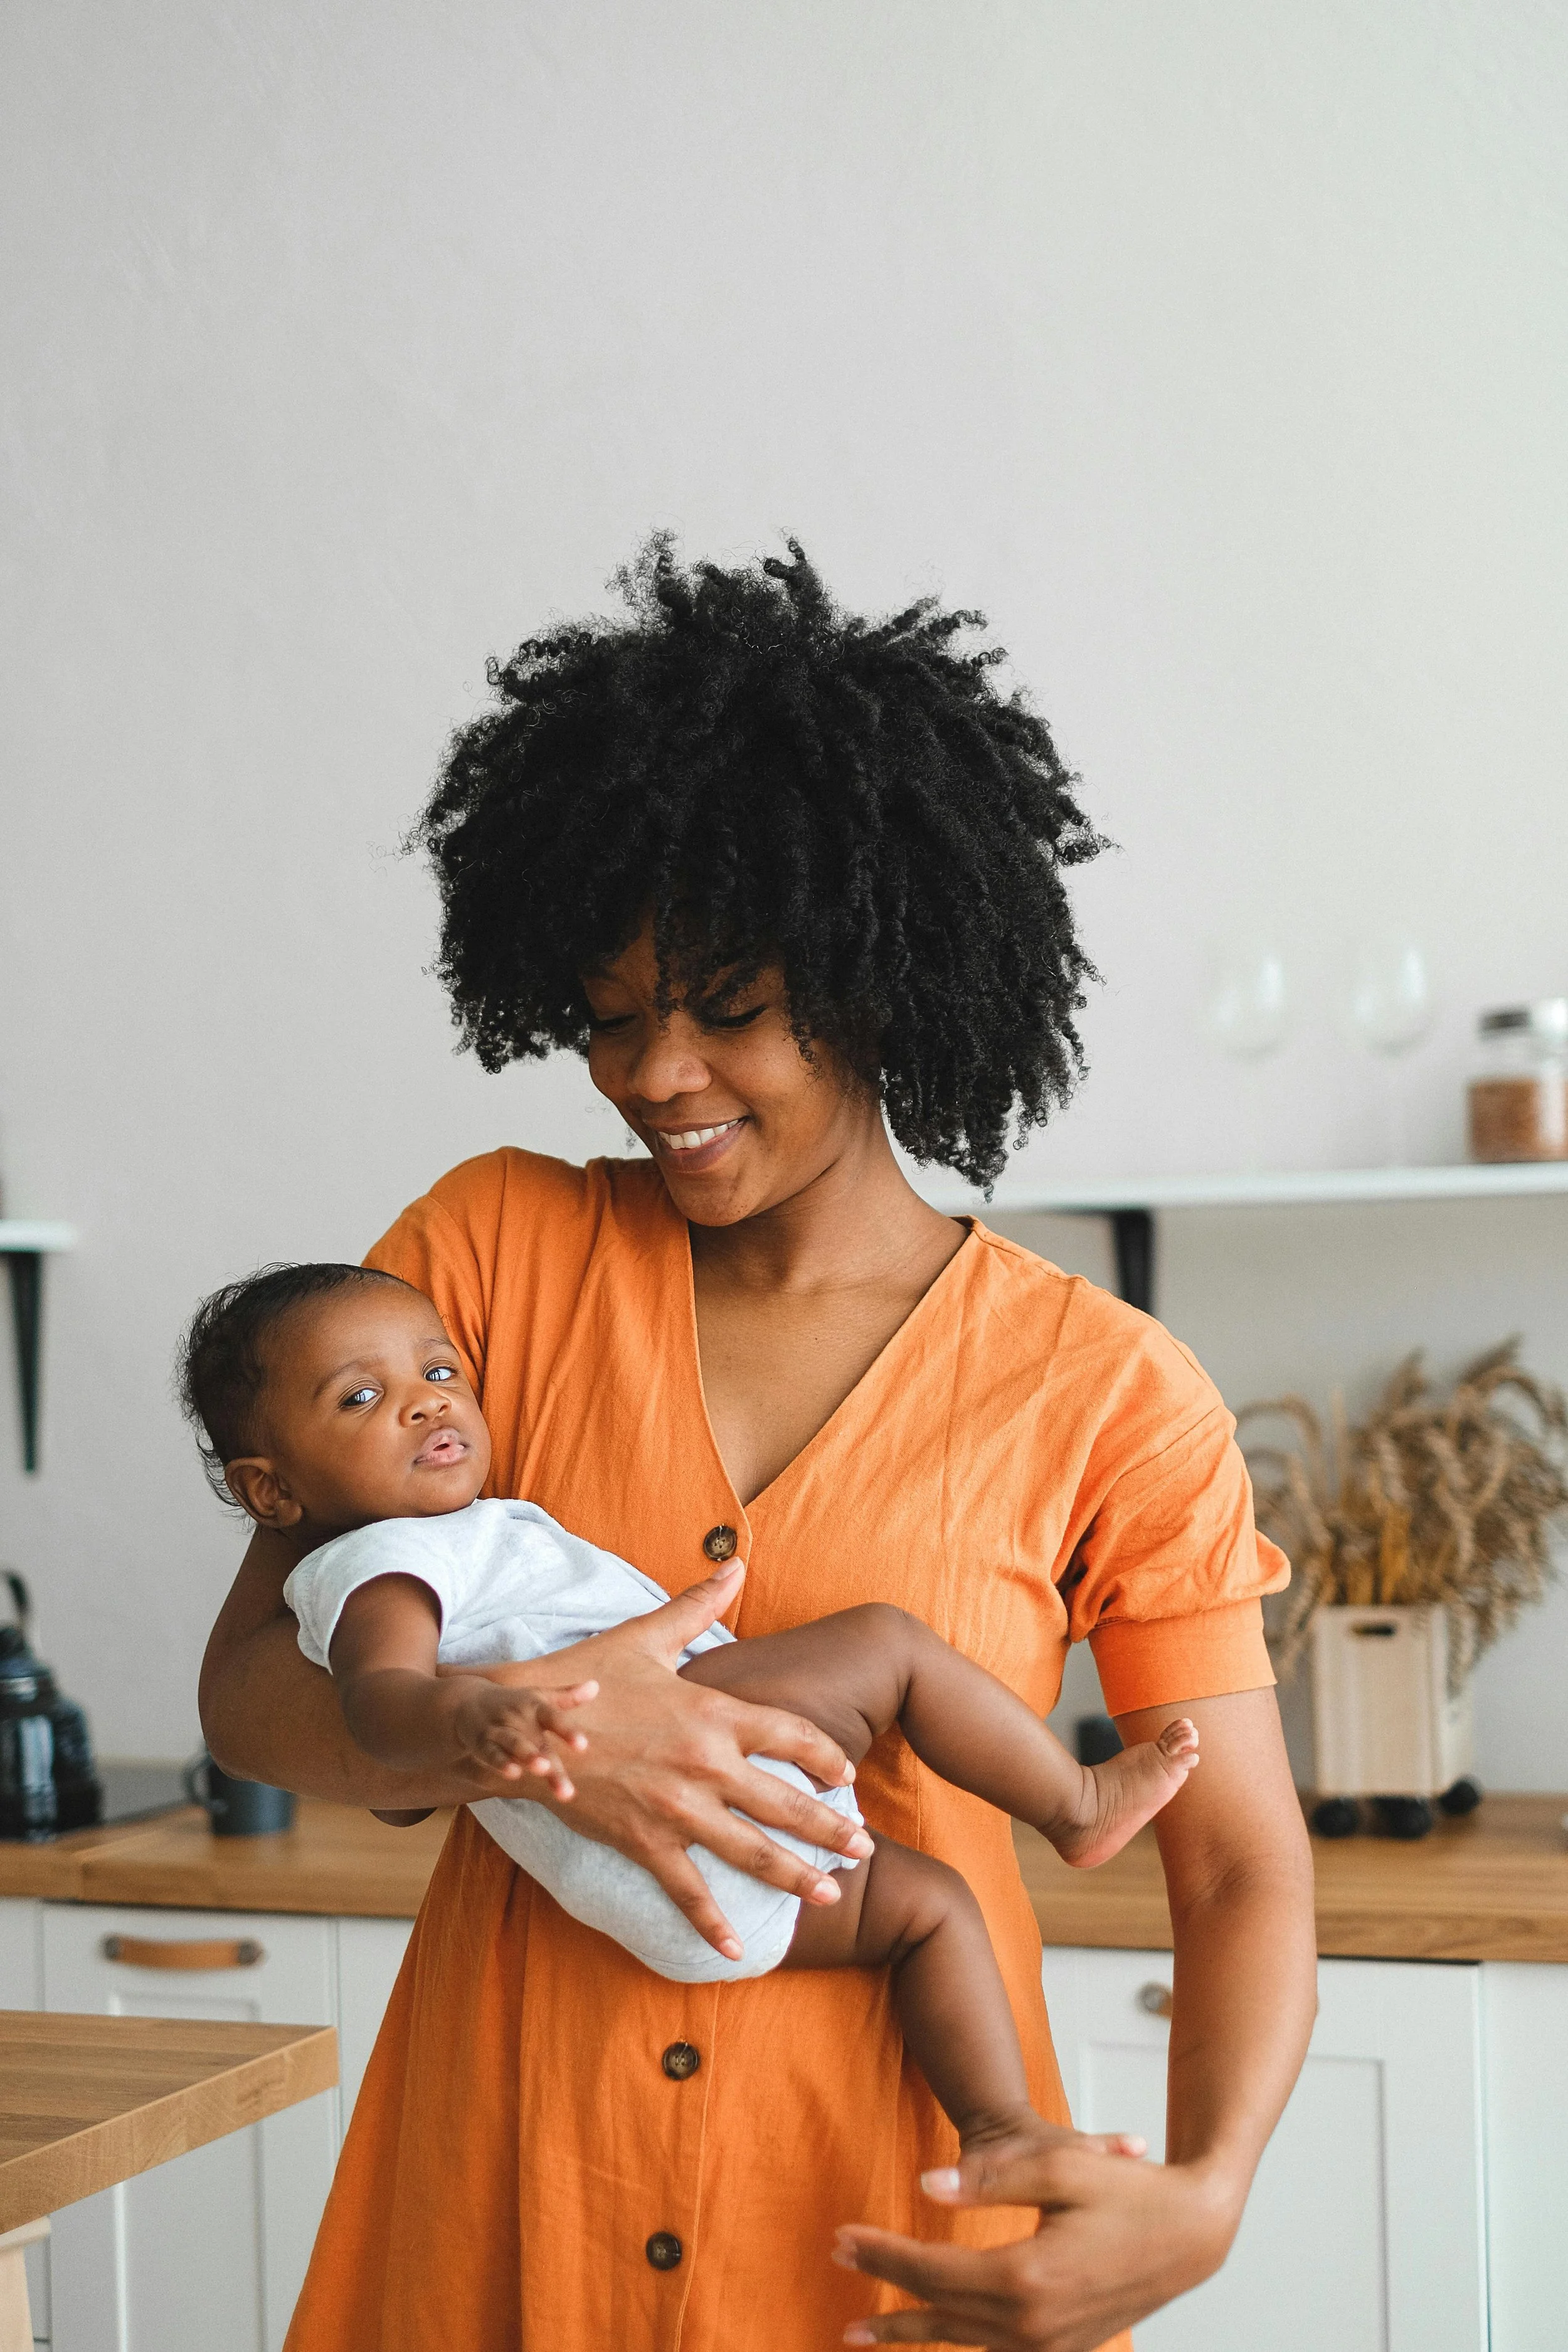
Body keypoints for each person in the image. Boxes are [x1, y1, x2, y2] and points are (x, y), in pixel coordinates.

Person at [199, 539, 1316, 2352]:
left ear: (880, 977)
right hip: (502, 2186)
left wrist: (1204, 2188)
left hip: (888, 2218)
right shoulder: (481, 1258)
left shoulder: (1102, 1382)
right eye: (612, 1013)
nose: (654, 1074)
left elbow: (1238, 1859)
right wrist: (549, 1728)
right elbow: (254, 1683)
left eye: (725, 1007)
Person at [180, 1260, 1199, 2173]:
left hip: (696, 1839)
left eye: (440, 1373)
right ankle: (1072, 1802)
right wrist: (476, 1723)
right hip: (668, 1817)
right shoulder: (380, 1564)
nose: (420, 1404)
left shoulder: (461, 1533)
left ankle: (998, 2125)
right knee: (887, 1645)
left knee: (932, 1908)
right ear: (270, 1491)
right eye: (361, 1397)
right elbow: (378, 1705)